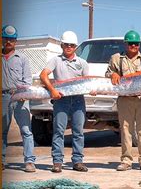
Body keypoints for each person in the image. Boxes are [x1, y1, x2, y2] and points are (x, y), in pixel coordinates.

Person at [105, 30, 141, 171]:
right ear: (125, 44)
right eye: (131, 43)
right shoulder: (116, 58)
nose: (134, 46)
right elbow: (107, 73)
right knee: (126, 130)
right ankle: (126, 160)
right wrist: (112, 73)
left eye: (136, 43)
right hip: (125, 99)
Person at [40, 31, 89, 173]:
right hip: (61, 100)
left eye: (72, 45)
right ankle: (57, 162)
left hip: (78, 100)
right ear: (62, 45)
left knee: (78, 131)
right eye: (66, 44)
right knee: (58, 131)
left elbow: (87, 82)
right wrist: (52, 90)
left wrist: (92, 90)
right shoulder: (55, 60)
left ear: (75, 47)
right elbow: (44, 75)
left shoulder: (82, 63)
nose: (69, 47)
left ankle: (78, 161)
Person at [2, 25, 36, 172]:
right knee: (2, 131)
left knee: (26, 130)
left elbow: (28, 80)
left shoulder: (22, 58)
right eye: (6, 39)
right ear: (2, 39)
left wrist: (24, 94)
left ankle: (29, 162)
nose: (9, 42)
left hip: (21, 97)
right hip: (3, 97)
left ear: (16, 41)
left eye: (12, 40)